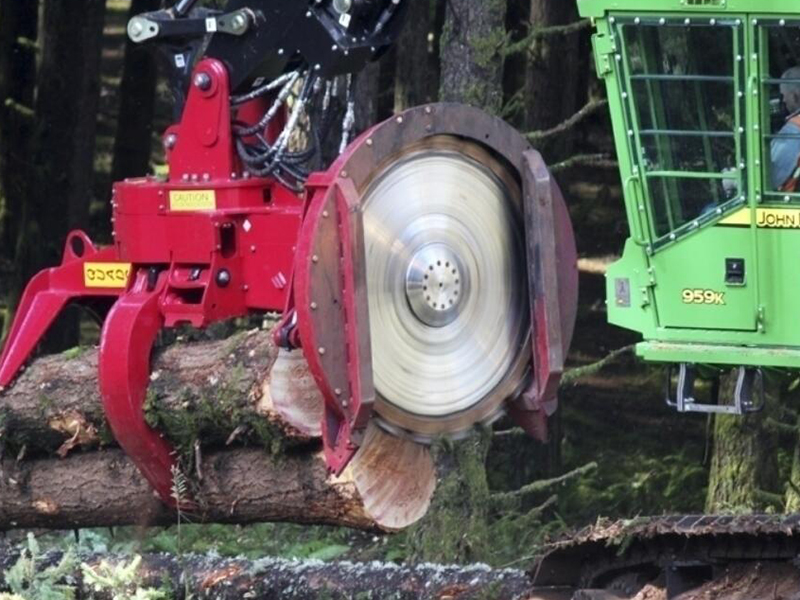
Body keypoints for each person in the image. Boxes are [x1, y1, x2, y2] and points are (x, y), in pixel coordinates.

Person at [771, 66, 800, 191]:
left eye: (784, 95)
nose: (783, 100)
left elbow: (770, 178)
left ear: (795, 96)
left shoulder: (793, 130)